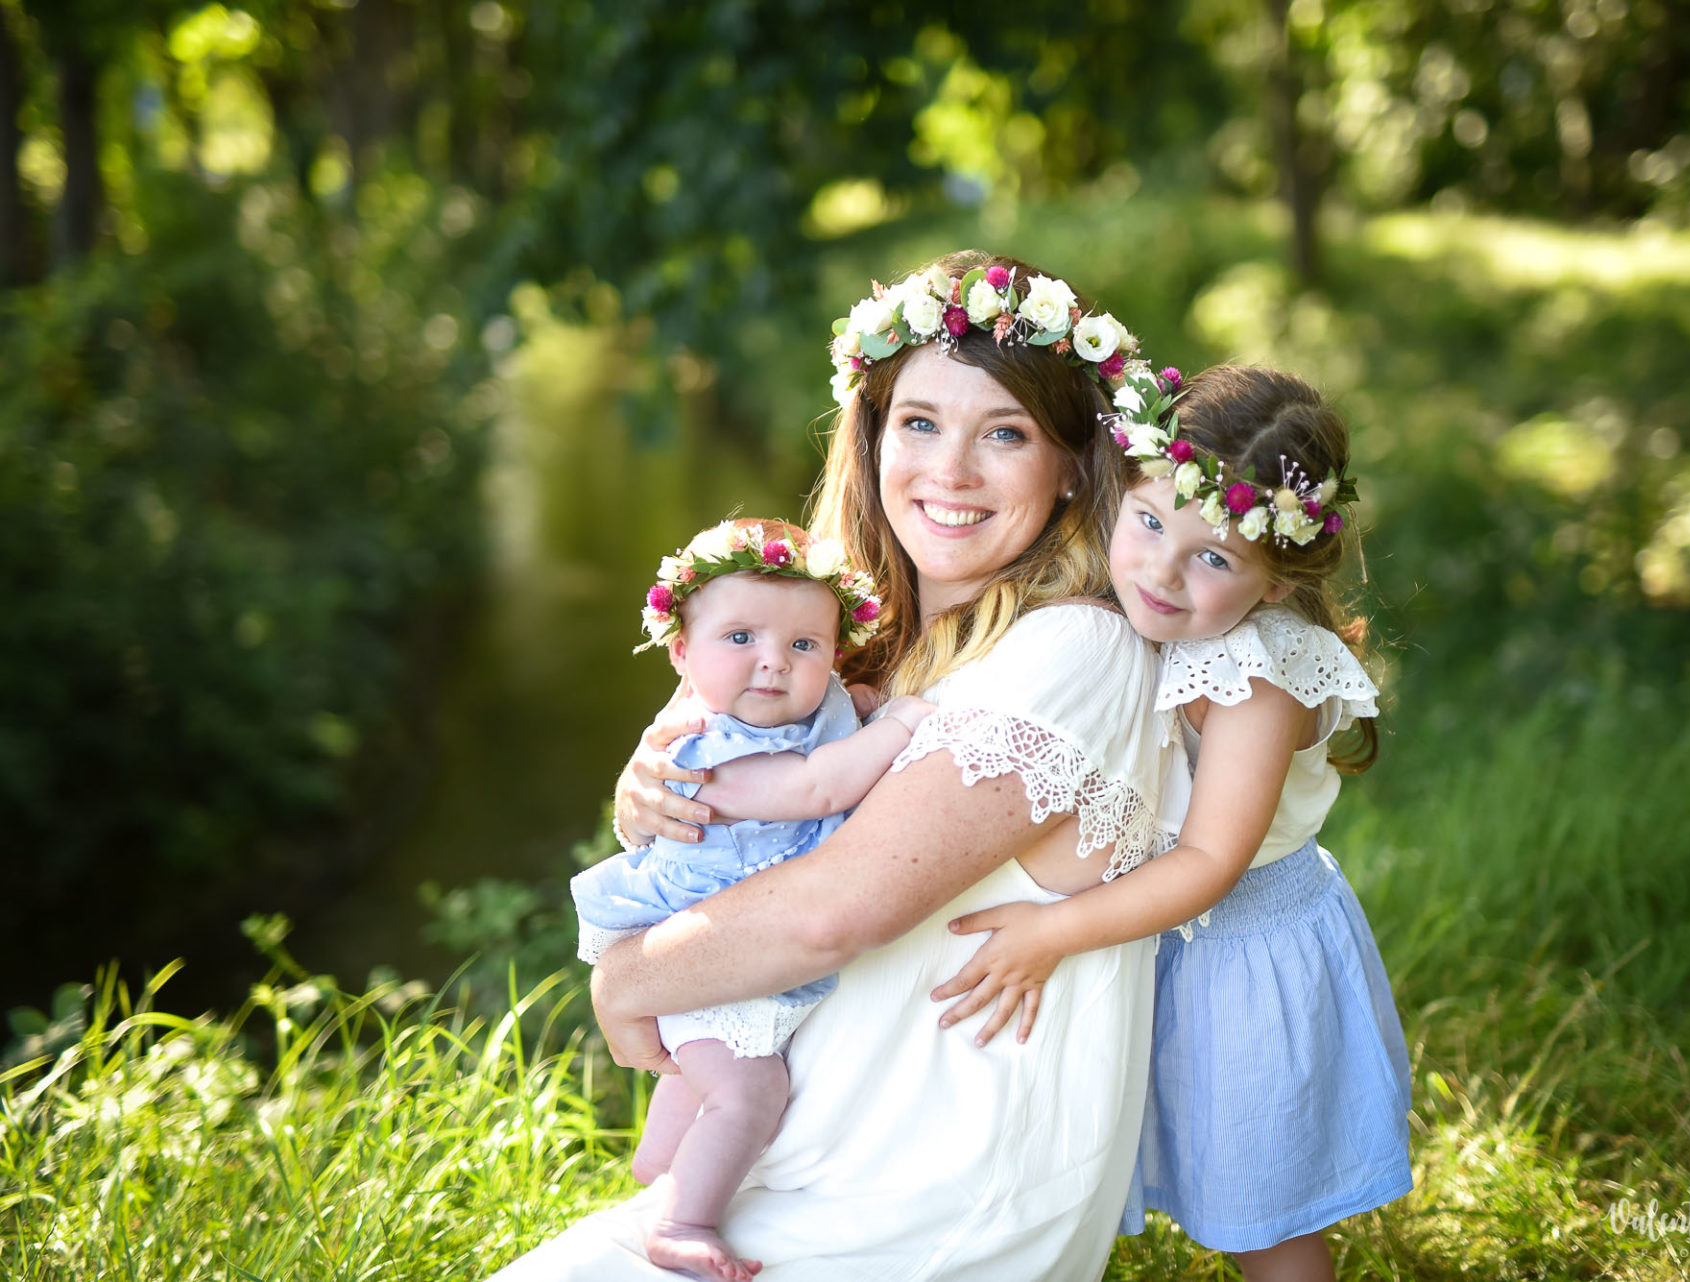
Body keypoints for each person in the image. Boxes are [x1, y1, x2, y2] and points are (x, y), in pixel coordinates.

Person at [490, 252, 1176, 1282]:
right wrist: (657, 783)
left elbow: (831, 913)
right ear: (872, 436)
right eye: (920, 423)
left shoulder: (1075, 648)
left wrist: (627, 978)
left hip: (936, 1185)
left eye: (1005, 434)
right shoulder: (852, 649)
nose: (951, 471)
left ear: (1074, 466)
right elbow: (723, 794)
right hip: (806, 1145)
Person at [927, 365, 1414, 1282]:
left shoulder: (1257, 678)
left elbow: (1209, 861)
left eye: (1214, 558)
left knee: (1262, 1216)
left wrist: (1052, 931)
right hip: (1161, 937)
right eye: (1149, 522)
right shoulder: (1136, 611)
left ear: (1277, 582)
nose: (1161, 570)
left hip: (1245, 954)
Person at [570, 516, 935, 1281]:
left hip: (739, 944)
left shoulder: (798, 707)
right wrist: (899, 723)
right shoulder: (709, 751)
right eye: (740, 638)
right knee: (749, 1090)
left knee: (699, 1078)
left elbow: (831, 721)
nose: (774, 662)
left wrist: (859, 705)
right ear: (681, 653)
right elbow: (818, 787)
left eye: (804, 645)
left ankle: (660, 1170)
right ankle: (683, 1223)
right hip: (709, 949)